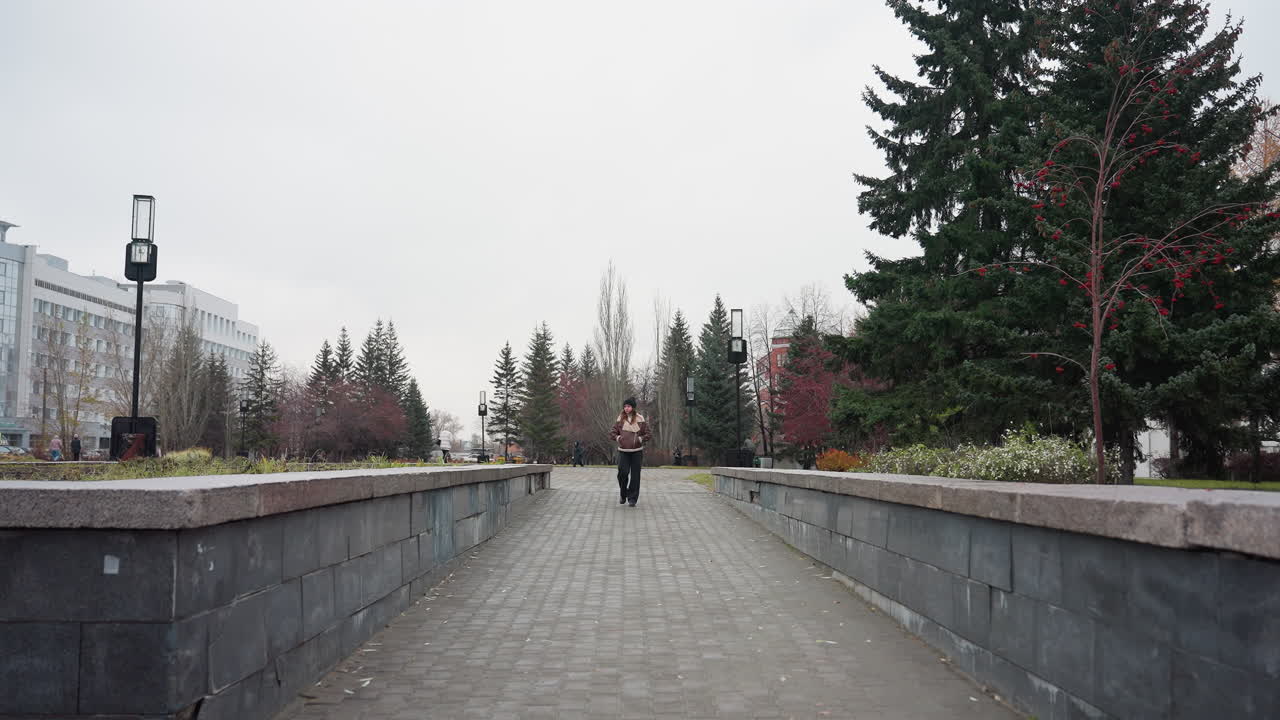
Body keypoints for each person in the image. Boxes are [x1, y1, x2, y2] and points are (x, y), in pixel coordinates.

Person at [609, 396, 651, 507]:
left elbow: (648, 434)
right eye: (625, 406)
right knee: (622, 473)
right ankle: (624, 494)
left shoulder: (640, 418)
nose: (626, 408)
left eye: (628, 406)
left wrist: (640, 439)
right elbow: (612, 433)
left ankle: (632, 498)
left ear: (633, 407)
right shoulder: (620, 419)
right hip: (623, 451)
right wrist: (618, 438)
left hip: (637, 451)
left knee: (635, 476)